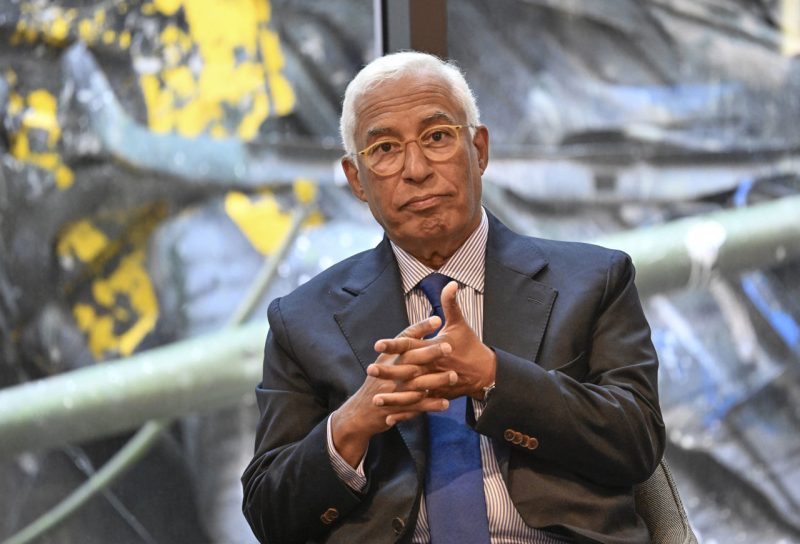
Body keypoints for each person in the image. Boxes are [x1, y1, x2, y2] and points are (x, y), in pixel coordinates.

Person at [241, 51, 665, 544]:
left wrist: (494, 376)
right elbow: (270, 515)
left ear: (478, 149)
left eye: (437, 137)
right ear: (357, 180)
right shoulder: (302, 321)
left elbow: (637, 441)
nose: (416, 169)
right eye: (384, 148)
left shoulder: (593, 280)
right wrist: (352, 424)